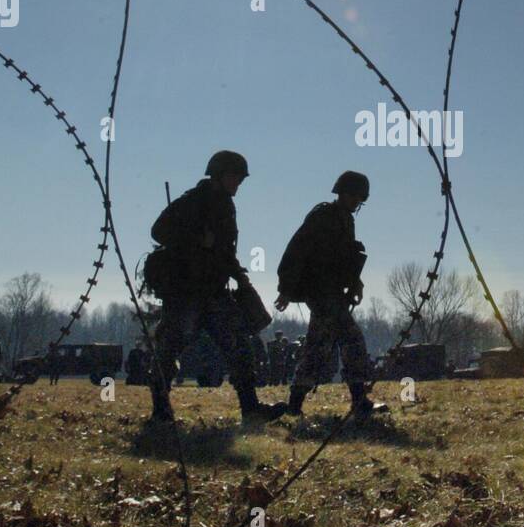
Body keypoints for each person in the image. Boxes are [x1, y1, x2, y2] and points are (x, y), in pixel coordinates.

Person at [146, 151, 274, 423]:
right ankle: (160, 409)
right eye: (235, 178)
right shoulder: (192, 200)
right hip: (186, 292)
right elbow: (158, 231)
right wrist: (194, 239)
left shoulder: (225, 205)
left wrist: (240, 277)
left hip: (215, 291)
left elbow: (223, 250)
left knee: (239, 346)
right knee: (169, 349)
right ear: (219, 175)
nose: (238, 184)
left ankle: (250, 408)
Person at [270, 171, 380, 419]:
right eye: (354, 196)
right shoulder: (322, 217)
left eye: (359, 199)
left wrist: (355, 282)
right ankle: (355, 400)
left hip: (332, 293)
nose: (356, 202)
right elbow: (296, 252)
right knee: (343, 342)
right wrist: (286, 289)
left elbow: (344, 259)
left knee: (323, 345)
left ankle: (298, 404)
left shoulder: (345, 220)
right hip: (320, 293)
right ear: (342, 193)